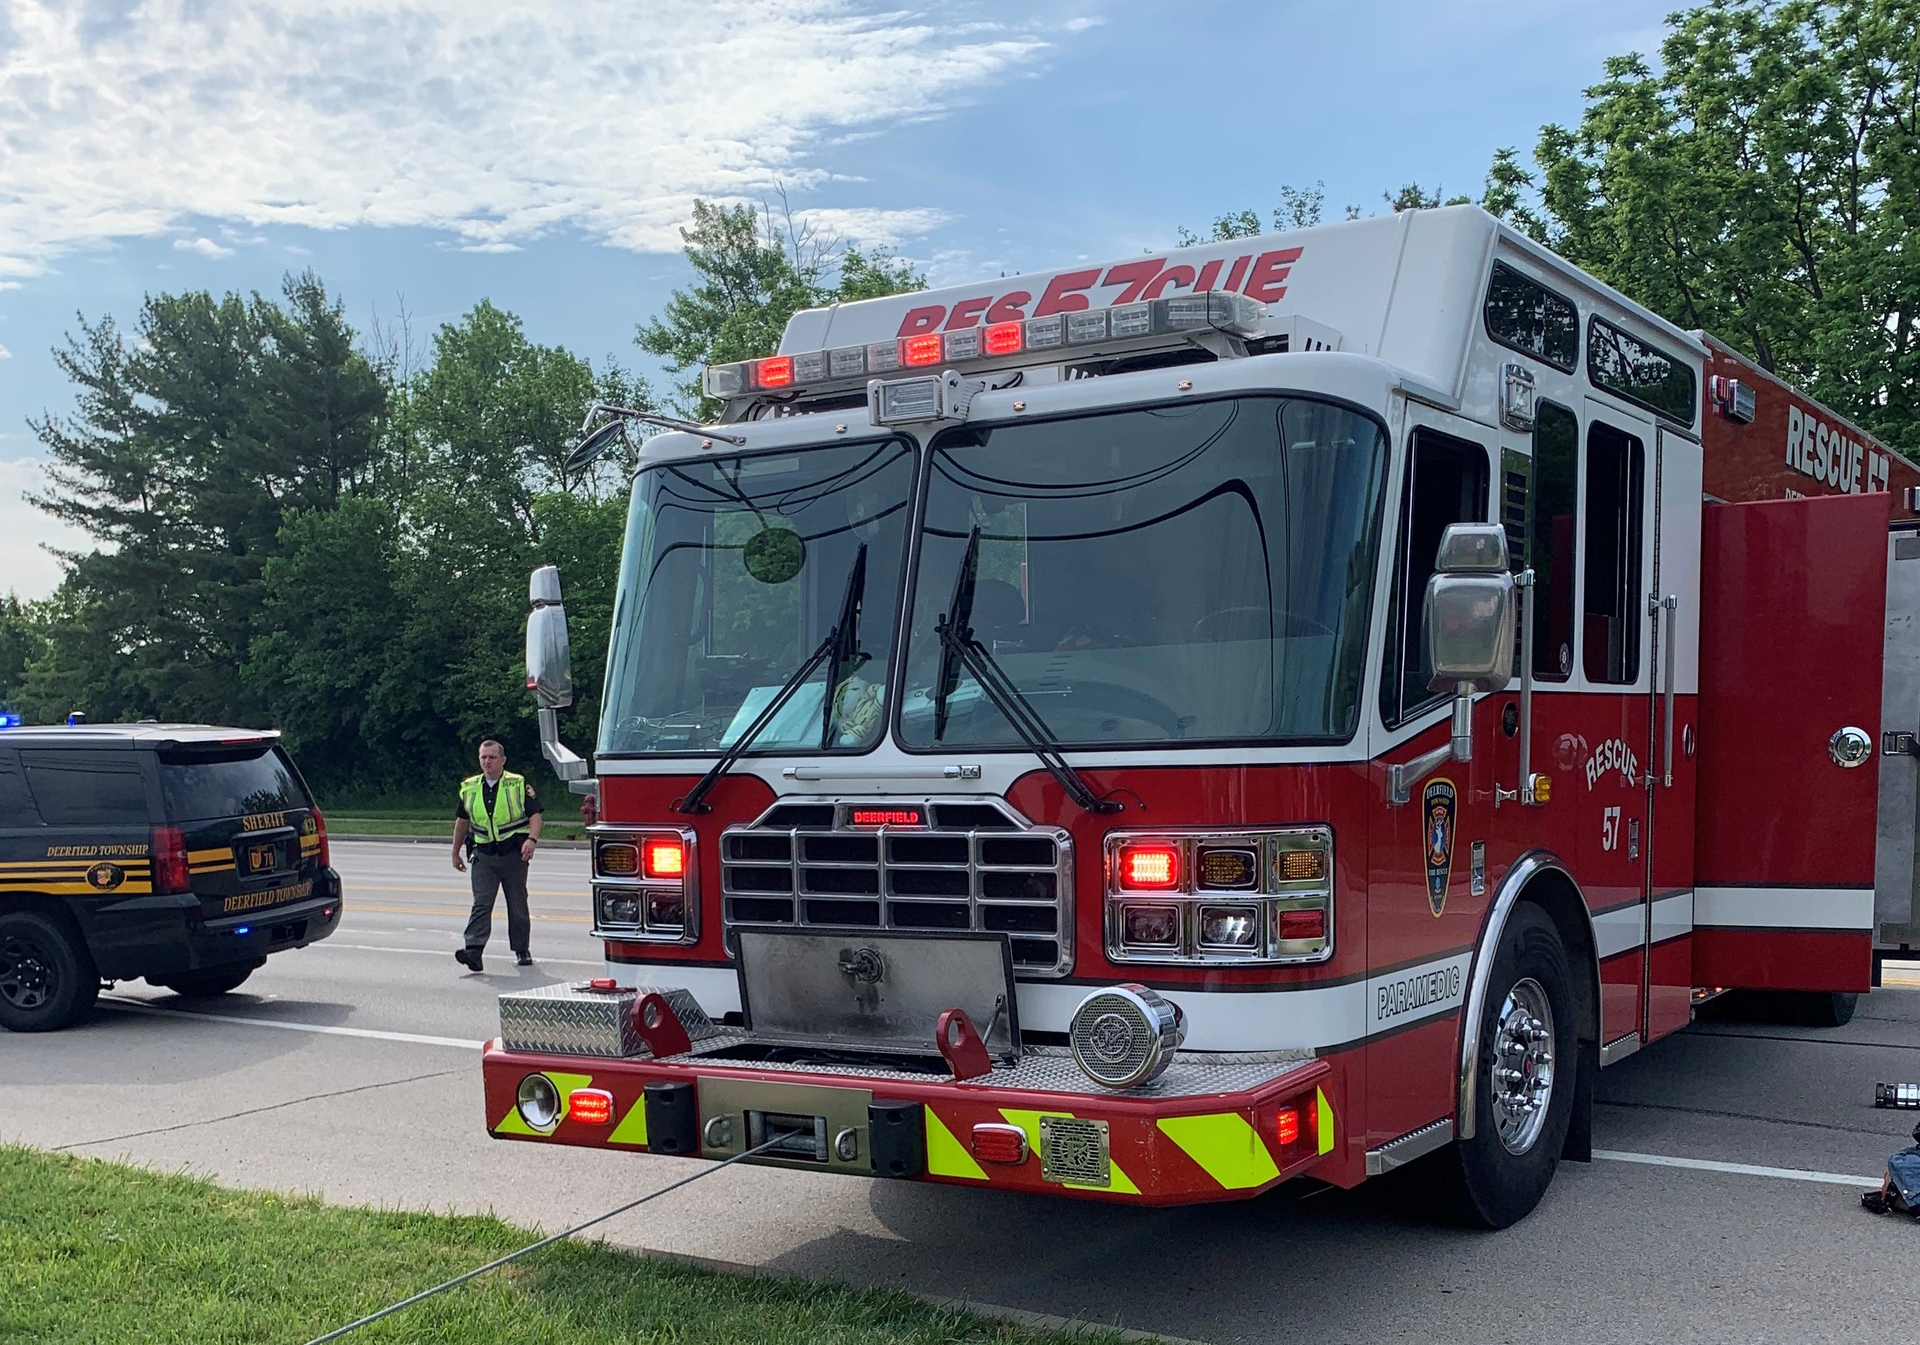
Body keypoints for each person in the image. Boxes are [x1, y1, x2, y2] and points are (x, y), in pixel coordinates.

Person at [451, 740, 542, 972]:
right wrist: (455, 852)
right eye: (483, 757)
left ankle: (522, 949)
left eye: (492, 757)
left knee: (517, 903)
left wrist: (531, 840)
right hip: (484, 855)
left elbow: (535, 816)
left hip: (513, 854)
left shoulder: (517, 784)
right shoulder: (469, 787)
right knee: (481, 903)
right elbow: (462, 822)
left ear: (503, 760)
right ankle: (473, 950)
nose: (487, 762)